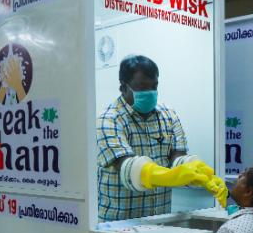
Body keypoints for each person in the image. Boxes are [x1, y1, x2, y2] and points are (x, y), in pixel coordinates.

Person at [97, 55, 226, 222]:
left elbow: (176, 158)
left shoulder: (168, 115)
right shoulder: (109, 119)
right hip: (119, 224)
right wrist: (172, 176)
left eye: (154, 86)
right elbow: (127, 167)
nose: (150, 92)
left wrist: (196, 170)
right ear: (123, 87)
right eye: (142, 87)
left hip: (160, 220)